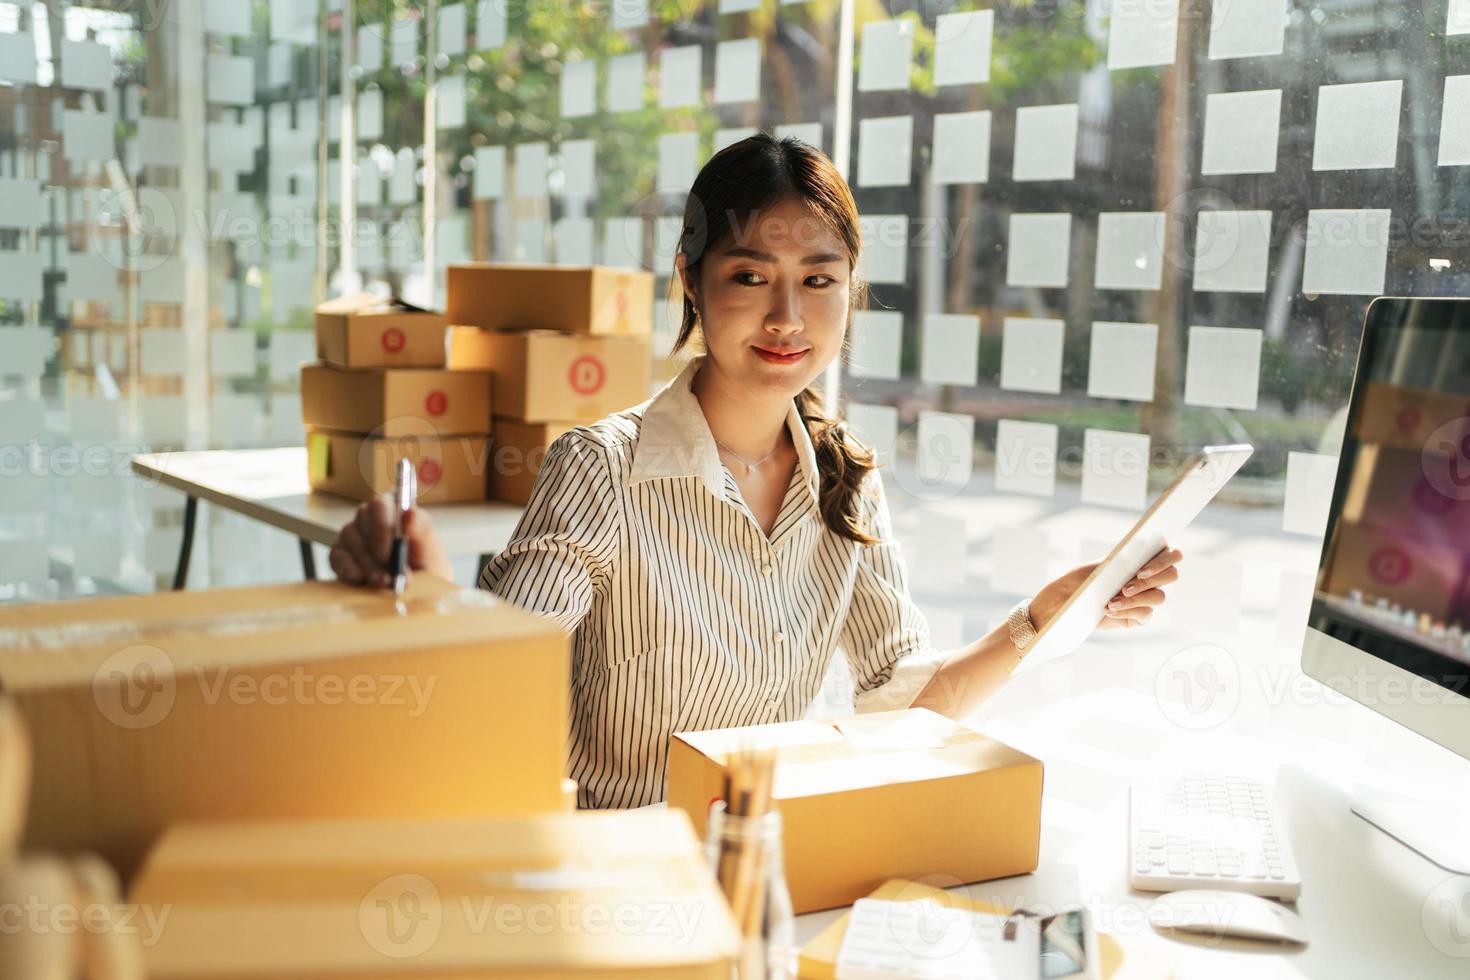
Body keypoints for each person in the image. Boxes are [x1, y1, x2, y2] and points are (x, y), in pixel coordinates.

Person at [330, 134, 1182, 808]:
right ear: (692, 285)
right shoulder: (600, 469)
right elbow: (501, 674)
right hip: (622, 883)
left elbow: (902, 701)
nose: (787, 316)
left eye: (819, 279)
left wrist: (1038, 619)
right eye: (750, 276)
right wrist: (426, 584)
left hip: (770, 868)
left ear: (852, 291)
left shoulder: (845, 478)